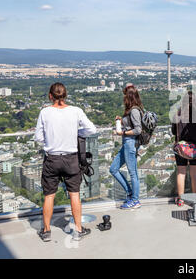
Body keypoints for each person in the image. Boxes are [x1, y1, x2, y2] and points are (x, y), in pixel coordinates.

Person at [35, 83, 97, 242]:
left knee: (49, 195)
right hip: (71, 159)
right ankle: (78, 230)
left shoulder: (45, 112)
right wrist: (77, 132)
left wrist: (50, 142)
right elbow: (92, 130)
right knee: (74, 194)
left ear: (50, 96)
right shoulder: (76, 111)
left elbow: (38, 138)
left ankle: (46, 231)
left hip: (52, 158)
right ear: (65, 95)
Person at [109, 84, 143, 210]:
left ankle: (135, 200)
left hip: (130, 143)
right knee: (113, 169)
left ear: (129, 97)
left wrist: (122, 132)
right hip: (126, 143)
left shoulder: (134, 110)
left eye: (125, 96)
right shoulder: (131, 110)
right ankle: (130, 193)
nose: (123, 98)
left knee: (133, 173)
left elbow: (138, 130)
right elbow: (131, 124)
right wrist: (121, 120)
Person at [172, 91, 196, 206]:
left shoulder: (178, 114)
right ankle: (195, 199)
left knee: (181, 173)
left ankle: (181, 199)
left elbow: (174, 131)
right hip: (194, 147)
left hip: (181, 147)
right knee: (194, 174)